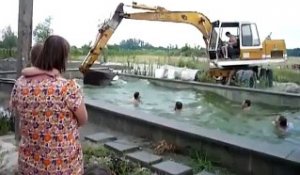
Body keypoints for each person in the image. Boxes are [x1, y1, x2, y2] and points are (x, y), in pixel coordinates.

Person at [9, 35, 88, 174]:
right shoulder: (67, 87)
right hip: (64, 167)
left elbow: (14, 108)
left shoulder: (20, 84)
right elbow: (83, 119)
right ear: (62, 59)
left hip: (29, 165)